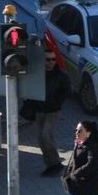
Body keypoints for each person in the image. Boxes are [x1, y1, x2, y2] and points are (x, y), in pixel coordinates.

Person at [37, 49, 70, 177]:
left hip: (53, 110)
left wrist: (57, 101)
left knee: (46, 135)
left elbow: (67, 91)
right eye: (48, 59)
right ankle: (50, 165)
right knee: (41, 139)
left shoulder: (61, 75)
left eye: (53, 59)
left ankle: (56, 163)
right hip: (39, 109)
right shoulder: (38, 74)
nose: (51, 62)